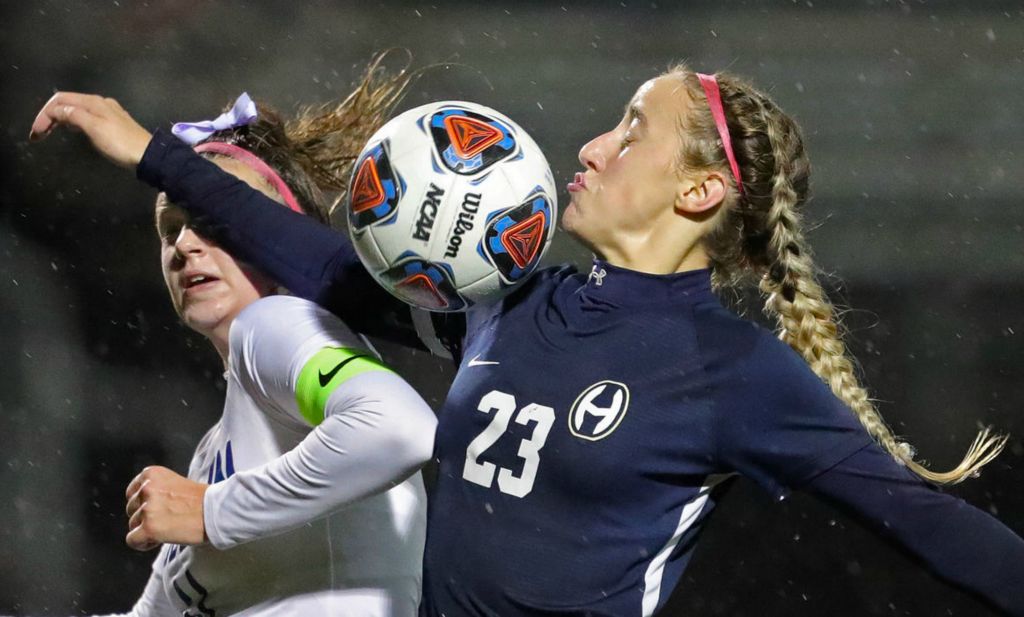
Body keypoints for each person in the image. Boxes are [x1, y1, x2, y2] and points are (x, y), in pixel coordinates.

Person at [31, 64, 1024, 616]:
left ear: (697, 191)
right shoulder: (517, 303)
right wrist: (155, 156)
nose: (592, 146)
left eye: (631, 130)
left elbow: (938, 530)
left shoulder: (734, 373)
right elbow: (329, 268)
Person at [30, 59, 437, 616]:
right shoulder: (213, 453)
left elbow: (402, 431)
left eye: (213, 223)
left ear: (275, 237)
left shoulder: (274, 326)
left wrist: (211, 512)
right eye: (170, 229)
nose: (185, 245)